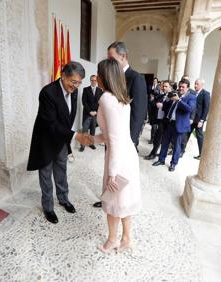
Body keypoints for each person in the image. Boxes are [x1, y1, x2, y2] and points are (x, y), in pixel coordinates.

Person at [78, 58, 141, 253]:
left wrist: (112, 173)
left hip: (118, 159)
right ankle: (127, 238)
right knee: (123, 202)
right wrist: (93, 140)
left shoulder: (106, 99)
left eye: (98, 73)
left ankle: (113, 240)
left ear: (104, 77)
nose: (96, 76)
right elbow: (116, 134)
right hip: (127, 154)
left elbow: (114, 139)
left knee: (113, 203)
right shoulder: (122, 98)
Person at [27, 61, 88, 224]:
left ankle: (63, 198)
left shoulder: (74, 92)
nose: (75, 86)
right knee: (46, 174)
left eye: (79, 83)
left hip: (61, 140)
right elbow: (50, 124)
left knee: (61, 169)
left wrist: (68, 138)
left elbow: (68, 118)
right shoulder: (48, 93)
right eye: (73, 82)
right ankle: (48, 207)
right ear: (63, 76)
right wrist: (75, 136)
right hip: (46, 140)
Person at [93, 41, 147, 209]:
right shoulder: (109, 77)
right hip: (113, 137)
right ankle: (109, 198)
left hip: (123, 139)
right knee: (111, 171)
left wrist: (130, 140)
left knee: (120, 177)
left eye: (111, 57)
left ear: (123, 57)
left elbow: (138, 112)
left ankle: (115, 205)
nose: (108, 61)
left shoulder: (135, 78)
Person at [152, 79, 196, 171]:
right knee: (164, 142)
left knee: (176, 146)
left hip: (179, 125)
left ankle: (173, 164)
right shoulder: (176, 94)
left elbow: (189, 109)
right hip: (169, 123)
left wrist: (179, 100)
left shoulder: (191, 97)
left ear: (187, 88)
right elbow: (168, 106)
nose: (180, 88)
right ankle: (161, 160)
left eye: (183, 87)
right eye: (180, 86)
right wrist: (166, 102)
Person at [181, 79, 210, 159]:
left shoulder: (205, 94)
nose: (195, 85)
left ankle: (202, 154)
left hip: (199, 120)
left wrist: (202, 120)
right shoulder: (192, 93)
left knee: (199, 137)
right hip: (191, 119)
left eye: (197, 84)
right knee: (186, 134)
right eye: (195, 84)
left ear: (201, 85)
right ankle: (181, 151)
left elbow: (206, 108)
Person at [144, 80, 171, 160]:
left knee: (158, 138)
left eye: (166, 86)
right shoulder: (162, 95)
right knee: (157, 138)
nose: (164, 87)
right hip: (158, 119)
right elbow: (153, 103)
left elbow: (171, 108)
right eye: (163, 86)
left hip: (165, 121)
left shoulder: (172, 97)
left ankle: (153, 154)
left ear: (170, 87)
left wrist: (162, 106)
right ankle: (155, 153)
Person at [80, 75, 103, 152]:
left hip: (95, 114)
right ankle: (82, 145)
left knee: (93, 130)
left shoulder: (100, 90)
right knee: (85, 130)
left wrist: (96, 111)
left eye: (95, 80)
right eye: (92, 80)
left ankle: (91, 143)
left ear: (97, 81)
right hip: (87, 113)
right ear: (90, 81)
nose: (94, 82)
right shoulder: (86, 89)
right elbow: (84, 102)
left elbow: (100, 103)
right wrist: (90, 111)